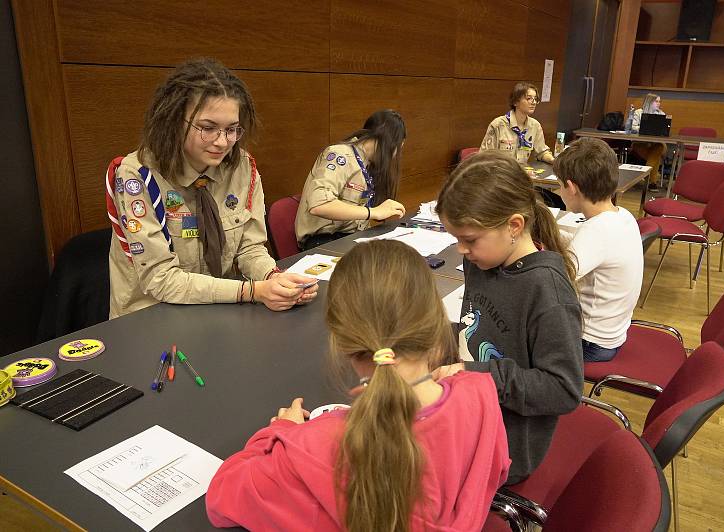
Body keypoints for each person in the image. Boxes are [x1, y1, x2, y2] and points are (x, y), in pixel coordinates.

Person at [206, 240, 510, 531]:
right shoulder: (480, 393)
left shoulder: (313, 448)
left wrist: (280, 431)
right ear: (434, 321)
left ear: (341, 340)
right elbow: (496, 470)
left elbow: (222, 497)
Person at [106, 58, 317, 318]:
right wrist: (254, 291)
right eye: (207, 128)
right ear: (174, 121)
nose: (222, 142)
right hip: (153, 316)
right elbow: (160, 280)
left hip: (223, 309)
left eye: (232, 130)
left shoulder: (241, 166)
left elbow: (249, 248)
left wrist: (274, 278)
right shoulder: (136, 176)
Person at [433, 150, 583, 485]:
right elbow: (482, 326)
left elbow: (563, 389)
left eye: (468, 239)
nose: (460, 250)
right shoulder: (484, 260)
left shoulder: (547, 294)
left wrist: (474, 374)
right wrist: (432, 335)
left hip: (505, 446)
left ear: (514, 226)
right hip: (471, 409)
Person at [554, 138, 643, 362]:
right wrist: (550, 231)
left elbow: (554, 281)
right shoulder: (622, 215)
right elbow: (583, 246)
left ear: (572, 188)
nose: (558, 190)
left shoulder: (597, 231)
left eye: (560, 185)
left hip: (591, 344)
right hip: (613, 332)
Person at [295, 110, 407, 250]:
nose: (395, 155)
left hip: (351, 237)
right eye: (396, 148)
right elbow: (319, 204)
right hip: (324, 241)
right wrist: (373, 212)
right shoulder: (340, 155)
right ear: (387, 141)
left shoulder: (369, 164)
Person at [631, 92, 667, 188]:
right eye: (656, 101)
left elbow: (664, 130)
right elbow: (633, 127)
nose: (659, 103)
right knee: (656, 156)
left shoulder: (661, 114)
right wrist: (644, 128)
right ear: (649, 102)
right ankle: (652, 182)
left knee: (659, 147)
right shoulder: (638, 112)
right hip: (641, 143)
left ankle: (645, 173)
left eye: (660, 101)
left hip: (656, 143)